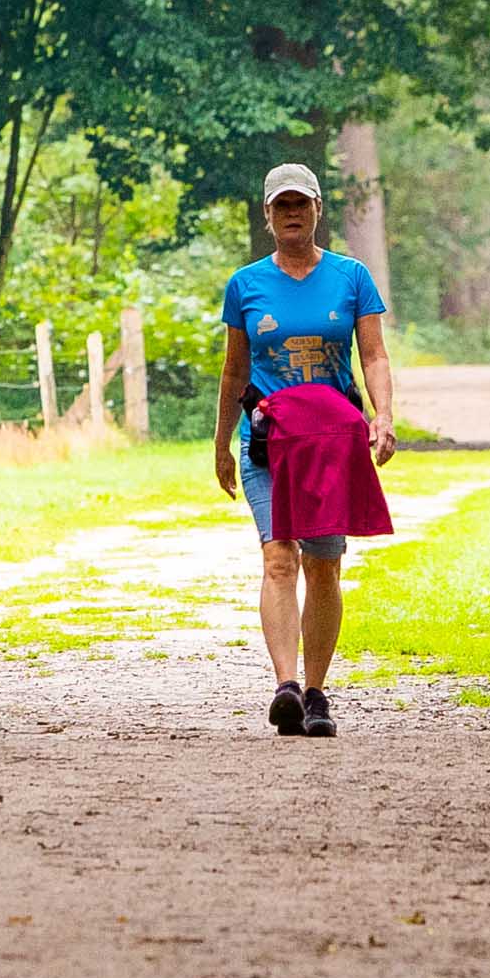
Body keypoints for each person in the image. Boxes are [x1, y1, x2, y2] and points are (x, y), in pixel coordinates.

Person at [213, 162, 394, 737]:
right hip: (268, 443)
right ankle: (285, 685)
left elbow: (374, 355)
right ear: (267, 216)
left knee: (323, 563)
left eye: (302, 204)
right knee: (278, 558)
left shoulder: (352, 276)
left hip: (331, 444)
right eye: (281, 206)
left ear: (318, 209)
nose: (292, 214)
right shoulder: (245, 285)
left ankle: (317, 692)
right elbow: (234, 369)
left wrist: (383, 414)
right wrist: (222, 443)